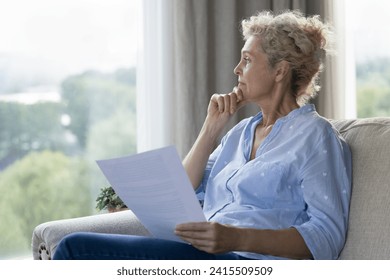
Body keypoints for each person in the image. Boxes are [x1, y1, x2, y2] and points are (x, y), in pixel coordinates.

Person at [53, 10, 352, 260]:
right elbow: (183, 192)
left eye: (247, 60)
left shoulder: (315, 136)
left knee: (74, 249)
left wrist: (236, 238)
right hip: (200, 256)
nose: (236, 69)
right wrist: (210, 130)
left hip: (245, 262)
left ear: (280, 71)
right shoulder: (239, 134)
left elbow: (325, 236)